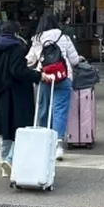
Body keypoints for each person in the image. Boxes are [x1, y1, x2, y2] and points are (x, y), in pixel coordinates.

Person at [0, 20, 51, 177]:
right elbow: (18, 71)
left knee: (4, 129)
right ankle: (10, 159)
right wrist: (38, 75)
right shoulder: (17, 48)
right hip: (17, 93)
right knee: (20, 129)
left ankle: (4, 163)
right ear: (16, 33)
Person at [26, 13, 81, 161]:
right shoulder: (64, 37)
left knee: (43, 108)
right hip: (63, 77)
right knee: (60, 110)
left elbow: (30, 60)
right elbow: (74, 60)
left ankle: (43, 141)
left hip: (44, 77)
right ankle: (58, 145)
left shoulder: (37, 39)